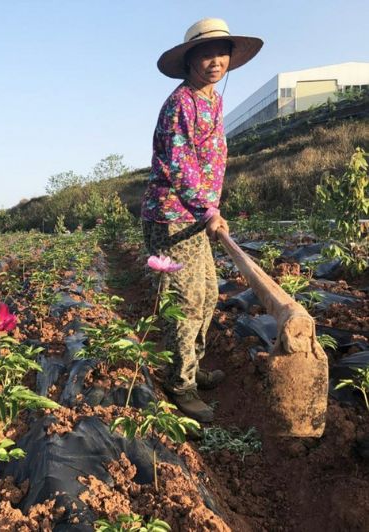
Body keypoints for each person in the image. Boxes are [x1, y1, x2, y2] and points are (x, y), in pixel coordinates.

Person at [141, 18, 263, 422]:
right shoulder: (181, 103)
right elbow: (179, 165)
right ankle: (180, 384)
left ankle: (191, 366)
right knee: (187, 301)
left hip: (197, 216)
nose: (216, 61)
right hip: (172, 218)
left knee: (209, 295)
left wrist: (209, 209)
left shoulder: (213, 100)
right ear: (190, 60)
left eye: (222, 53)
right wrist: (208, 208)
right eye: (207, 54)